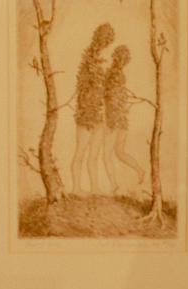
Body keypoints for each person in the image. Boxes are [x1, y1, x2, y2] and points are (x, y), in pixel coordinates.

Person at [71, 23, 114, 195]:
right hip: (87, 114)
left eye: (108, 42)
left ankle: (95, 187)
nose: (107, 45)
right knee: (80, 151)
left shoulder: (104, 62)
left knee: (94, 154)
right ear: (99, 39)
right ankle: (76, 188)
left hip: (99, 114)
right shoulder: (89, 58)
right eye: (105, 41)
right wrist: (87, 110)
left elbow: (104, 89)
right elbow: (82, 88)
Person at [103, 44, 146, 192]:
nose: (121, 61)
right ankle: (140, 170)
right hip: (121, 120)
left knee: (106, 154)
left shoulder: (113, 74)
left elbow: (112, 99)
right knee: (119, 152)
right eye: (120, 58)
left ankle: (114, 184)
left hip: (115, 120)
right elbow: (119, 98)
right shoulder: (119, 75)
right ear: (116, 58)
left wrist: (111, 120)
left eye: (123, 60)